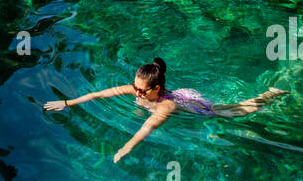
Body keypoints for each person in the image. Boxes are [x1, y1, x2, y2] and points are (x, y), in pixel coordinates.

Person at [44, 57, 288, 162]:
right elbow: (98, 94)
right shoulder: (136, 89)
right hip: (176, 93)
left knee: (232, 112)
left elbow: (147, 128)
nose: (136, 92)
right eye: (135, 87)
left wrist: (125, 147)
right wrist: (67, 103)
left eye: (141, 91)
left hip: (189, 103)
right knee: (138, 107)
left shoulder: (165, 105)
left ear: (156, 88)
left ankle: (271, 94)